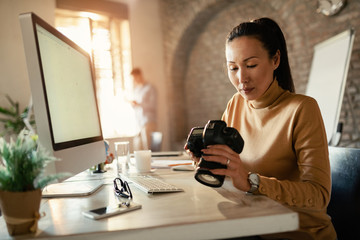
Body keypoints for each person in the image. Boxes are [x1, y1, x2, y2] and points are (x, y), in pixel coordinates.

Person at [186, 18, 336, 240]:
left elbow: (318, 195)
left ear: (275, 59)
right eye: (233, 68)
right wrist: (208, 160)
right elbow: (232, 172)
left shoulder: (302, 109)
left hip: (298, 232)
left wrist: (251, 181)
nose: (241, 78)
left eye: (251, 65)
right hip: (252, 225)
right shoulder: (236, 103)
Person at [130, 68, 157, 150]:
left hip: (148, 122)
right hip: (139, 123)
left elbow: (153, 105)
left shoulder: (150, 88)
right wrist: (134, 104)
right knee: (138, 148)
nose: (134, 80)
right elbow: (136, 107)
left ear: (140, 75)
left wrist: (139, 104)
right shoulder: (137, 89)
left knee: (148, 148)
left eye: (135, 77)